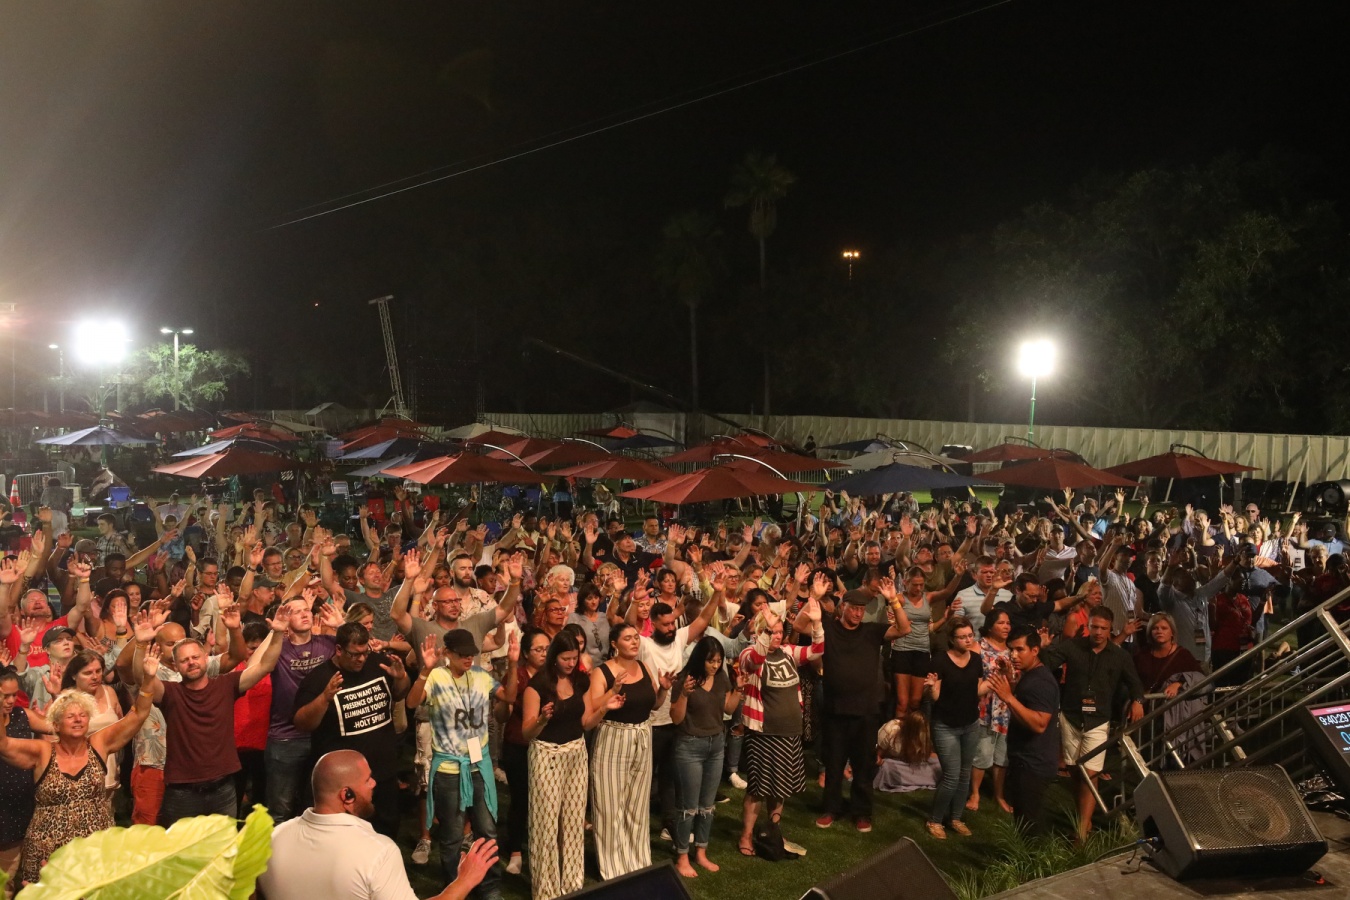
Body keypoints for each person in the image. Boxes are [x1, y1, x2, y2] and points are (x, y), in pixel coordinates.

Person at [0, 644, 158, 886]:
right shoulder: (43, 751)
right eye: (70, 716)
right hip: (47, 851)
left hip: (94, 848)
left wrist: (148, 679)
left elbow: (137, 714)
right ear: (56, 724)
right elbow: (3, 744)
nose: (77, 720)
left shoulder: (99, 744)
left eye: (83, 715)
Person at [259, 749, 499, 900]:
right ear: (347, 795)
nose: (374, 783)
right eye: (367, 780)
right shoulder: (377, 852)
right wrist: (465, 880)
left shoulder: (273, 838)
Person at [139, 604, 289, 826]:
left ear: (205, 658)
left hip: (223, 788)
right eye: (184, 660)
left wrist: (278, 633)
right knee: (182, 848)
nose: (191, 662)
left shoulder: (226, 684)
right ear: (176, 667)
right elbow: (141, 679)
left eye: (195, 657)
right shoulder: (170, 693)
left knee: (223, 845)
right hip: (182, 791)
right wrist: (141, 647)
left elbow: (265, 665)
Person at [406, 628, 506, 899]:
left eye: (471, 653)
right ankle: (454, 888)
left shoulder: (481, 675)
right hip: (449, 770)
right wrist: (425, 670)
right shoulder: (437, 676)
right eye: (462, 654)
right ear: (447, 653)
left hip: (478, 767)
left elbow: (508, 697)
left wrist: (514, 661)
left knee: (487, 830)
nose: (468, 658)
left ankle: (490, 888)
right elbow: (412, 702)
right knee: (451, 835)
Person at [293, 621, 411, 838]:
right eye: (355, 654)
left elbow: (400, 693)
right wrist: (324, 698)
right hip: (345, 783)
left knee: (386, 831)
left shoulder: (379, 664)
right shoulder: (319, 678)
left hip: (382, 771)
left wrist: (401, 678)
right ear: (339, 649)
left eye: (365, 652)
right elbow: (302, 723)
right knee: (344, 838)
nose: (362, 659)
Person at [1040, 606, 1145, 841]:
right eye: (1094, 627)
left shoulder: (1119, 655)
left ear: (1110, 629)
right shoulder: (1072, 646)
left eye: (1103, 628)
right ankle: (1083, 818)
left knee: (1090, 773)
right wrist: (1045, 647)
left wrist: (1137, 701)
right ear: (1087, 626)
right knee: (1075, 771)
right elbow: (1046, 666)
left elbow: (1135, 683)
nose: (1098, 632)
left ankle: (1082, 830)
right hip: (1071, 716)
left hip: (1099, 720)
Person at [816, 580, 910, 833]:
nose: (859, 613)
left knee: (863, 765)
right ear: (843, 607)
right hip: (835, 710)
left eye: (862, 609)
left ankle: (862, 811)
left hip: (866, 710)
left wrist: (893, 600)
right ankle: (831, 808)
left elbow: (904, 628)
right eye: (854, 608)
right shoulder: (829, 629)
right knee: (834, 763)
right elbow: (802, 624)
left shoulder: (871, 631)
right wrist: (814, 597)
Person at [521, 633, 607, 899]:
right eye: (565, 658)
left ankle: (572, 886)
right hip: (546, 755)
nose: (571, 663)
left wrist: (606, 707)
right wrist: (541, 720)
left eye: (574, 658)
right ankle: (546, 891)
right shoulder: (537, 686)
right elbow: (526, 733)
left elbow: (586, 722)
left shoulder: (581, 681)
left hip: (576, 753)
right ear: (553, 657)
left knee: (573, 823)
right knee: (546, 825)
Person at [736, 599, 824, 859]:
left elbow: (817, 650)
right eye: (772, 631)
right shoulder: (748, 654)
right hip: (763, 734)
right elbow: (755, 658)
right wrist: (765, 630)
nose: (777, 635)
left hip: (789, 733)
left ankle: (772, 832)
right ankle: (746, 835)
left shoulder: (787, 652)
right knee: (758, 789)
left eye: (778, 631)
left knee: (781, 787)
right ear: (761, 632)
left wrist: (817, 623)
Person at [587, 622, 667, 880]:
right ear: (614, 644)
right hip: (613, 738)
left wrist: (664, 688)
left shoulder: (643, 667)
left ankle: (637, 860)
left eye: (636, 637)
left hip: (642, 737)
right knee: (610, 804)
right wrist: (613, 691)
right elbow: (592, 709)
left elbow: (654, 705)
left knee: (637, 803)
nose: (634, 642)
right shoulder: (602, 672)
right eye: (628, 638)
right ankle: (612, 867)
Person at [669, 636, 742, 878]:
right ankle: (682, 856)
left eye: (719, 661)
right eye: (711, 661)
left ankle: (701, 851)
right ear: (700, 659)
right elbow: (676, 718)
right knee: (688, 806)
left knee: (707, 806)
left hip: (716, 745)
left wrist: (739, 689)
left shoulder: (720, 678)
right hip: (690, 745)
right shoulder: (685, 679)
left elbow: (728, 708)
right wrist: (684, 694)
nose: (715, 665)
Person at [266, 591, 338, 823]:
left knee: (318, 806)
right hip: (286, 737)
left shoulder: (328, 643)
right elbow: (257, 662)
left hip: (322, 734)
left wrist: (341, 625)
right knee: (280, 809)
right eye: (296, 612)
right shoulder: (278, 648)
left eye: (306, 609)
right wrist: (277, 632)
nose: (304, 614)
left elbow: (363, 651)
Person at [923, 616, 990, 840]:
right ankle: (935, 820)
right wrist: (930, 687)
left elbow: (977, 690)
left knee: (964, 774)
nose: (968, 640)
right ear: (952, 639)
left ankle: (956, 818)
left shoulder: (976, 659)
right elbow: (936, 697)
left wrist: (997, 680)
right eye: (962, 637)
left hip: (970, 723)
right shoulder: (940, 661)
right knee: (951, 775)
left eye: (970, 635)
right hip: (945, 725)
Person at [989, 628, 1060, 836]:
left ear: (1035, 650)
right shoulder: (1031, 675)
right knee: (1024, 822)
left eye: (1020, 650)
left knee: (1030, 827)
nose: (1013, 655)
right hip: (1026, 760)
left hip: (1033, 764)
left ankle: (1034, 857)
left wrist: (1008, 698)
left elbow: (1039, 724)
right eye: (1011, 650)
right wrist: (1010, 684)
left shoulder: (1041, 682)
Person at [499, 628, 547, 876]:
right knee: (520, 799)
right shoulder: (517, 675)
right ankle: (515, 850)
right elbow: (501, 713)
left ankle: (541, 848)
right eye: (539, 649)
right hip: (519, 745)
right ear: (526, 653)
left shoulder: (554, 675)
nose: (544, 654)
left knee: (544, 800)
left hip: (547, 746)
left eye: (547, 649)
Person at [968, 608, 1012, 814]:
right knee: (982, 752)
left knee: (1002, 755)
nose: (1006, 627)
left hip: (1005, 709)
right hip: (985, 706)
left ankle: (999, 794)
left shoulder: (1012, 650)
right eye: (1001, 623)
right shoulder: (979, 647)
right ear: (990, 626)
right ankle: (975, 793)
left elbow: (1015, 680)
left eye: (1008, 623)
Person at [0, 671, 36, 887]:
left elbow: (56, 726)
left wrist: (55, 695)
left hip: (18, 809)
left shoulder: (22, 715)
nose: (11, 700)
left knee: (9, 881)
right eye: (5, 695)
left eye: (14, 695)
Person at [1133, 613, 1201, 696]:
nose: (1159, 631)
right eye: (1155, 628)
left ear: (1172, 632)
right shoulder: (1142, 655)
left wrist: (1179, 684)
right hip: (1145, 702)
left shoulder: (1183, 655)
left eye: (1164, 628)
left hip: (1172, 702)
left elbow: (1200, 679)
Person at [873, 712, 941, 793]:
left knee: (939, 764)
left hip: (915, 764)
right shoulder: (891, 729)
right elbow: (877, 755)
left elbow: (927, 755)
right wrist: (880, 762)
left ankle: (911, 779)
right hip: (896, 764)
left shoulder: (924, 735)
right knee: (886, 767)